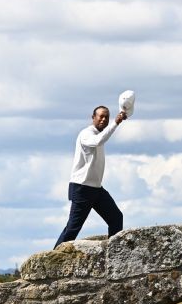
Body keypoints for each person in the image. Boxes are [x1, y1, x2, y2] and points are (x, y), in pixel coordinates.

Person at [54, 104, 129, 249]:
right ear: (93, 118)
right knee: (73, 228)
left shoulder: (100, 134)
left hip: (96, 189)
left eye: (107, 117)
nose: (104, 119)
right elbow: (98, 141)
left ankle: (114, 254)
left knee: (116, 218)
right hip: (82, 188)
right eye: (101, 116)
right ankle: (53, 259)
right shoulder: (87, 134)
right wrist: (116, 123)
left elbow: (101, 138)